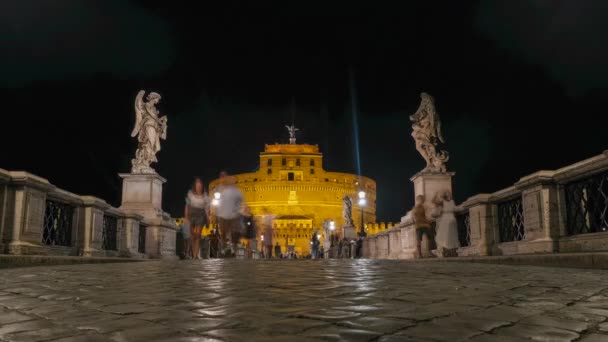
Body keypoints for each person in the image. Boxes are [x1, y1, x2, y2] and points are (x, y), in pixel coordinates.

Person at [216, 171, 245, 256]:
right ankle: (224, 249)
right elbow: (215, 201)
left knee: (233, 234)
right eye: (221, 176)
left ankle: (233, 250)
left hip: (233, 216)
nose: (222, 178)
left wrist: (240, 211)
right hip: (223, 215)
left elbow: (241, 202)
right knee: (223, 234)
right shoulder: (219, 189)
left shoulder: (236, 190)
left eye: (224, 176)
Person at [184, 178, 210, 260]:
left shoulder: (205, 195)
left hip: (200, 215)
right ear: (195, 186)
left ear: (202, 186)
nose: (199, 186)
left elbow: (207, 208)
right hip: (191, 214)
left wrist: (208, 218)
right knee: (192, 236)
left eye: (200, 184)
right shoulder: (190, 193)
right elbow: (187, 205)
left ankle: (195, 256)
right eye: (197, 184)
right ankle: (193, 252)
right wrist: (186, 217)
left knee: (198, 235)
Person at [433, 190, 460, 257]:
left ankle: (453, 251)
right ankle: (446, 251)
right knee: (445, 236)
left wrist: (462, 207)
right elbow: (435, 203)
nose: (449, 195)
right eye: (447, 194)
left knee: (452, 236)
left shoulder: (452, 202)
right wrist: (436, 195)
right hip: (445, 220)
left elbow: (455, 209)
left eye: (449, 194)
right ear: (445, 196)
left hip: (451, 219)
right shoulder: (442, 202)